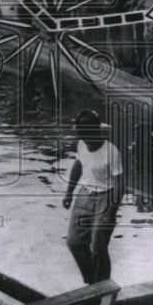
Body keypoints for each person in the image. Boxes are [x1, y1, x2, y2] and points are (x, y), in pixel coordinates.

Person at [62, 109, 124, 284]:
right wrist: (69, 193)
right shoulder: (82, 144)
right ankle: (92, 284)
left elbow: (120, 183)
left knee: (98, 246)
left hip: (107, 194)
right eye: (82, 135)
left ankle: (102, 288)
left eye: (88, 135)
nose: (85, 140)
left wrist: (112, 209)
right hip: (85, 193)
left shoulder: (111, 152)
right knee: (74, 242)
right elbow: (79, 166)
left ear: (96, 131)